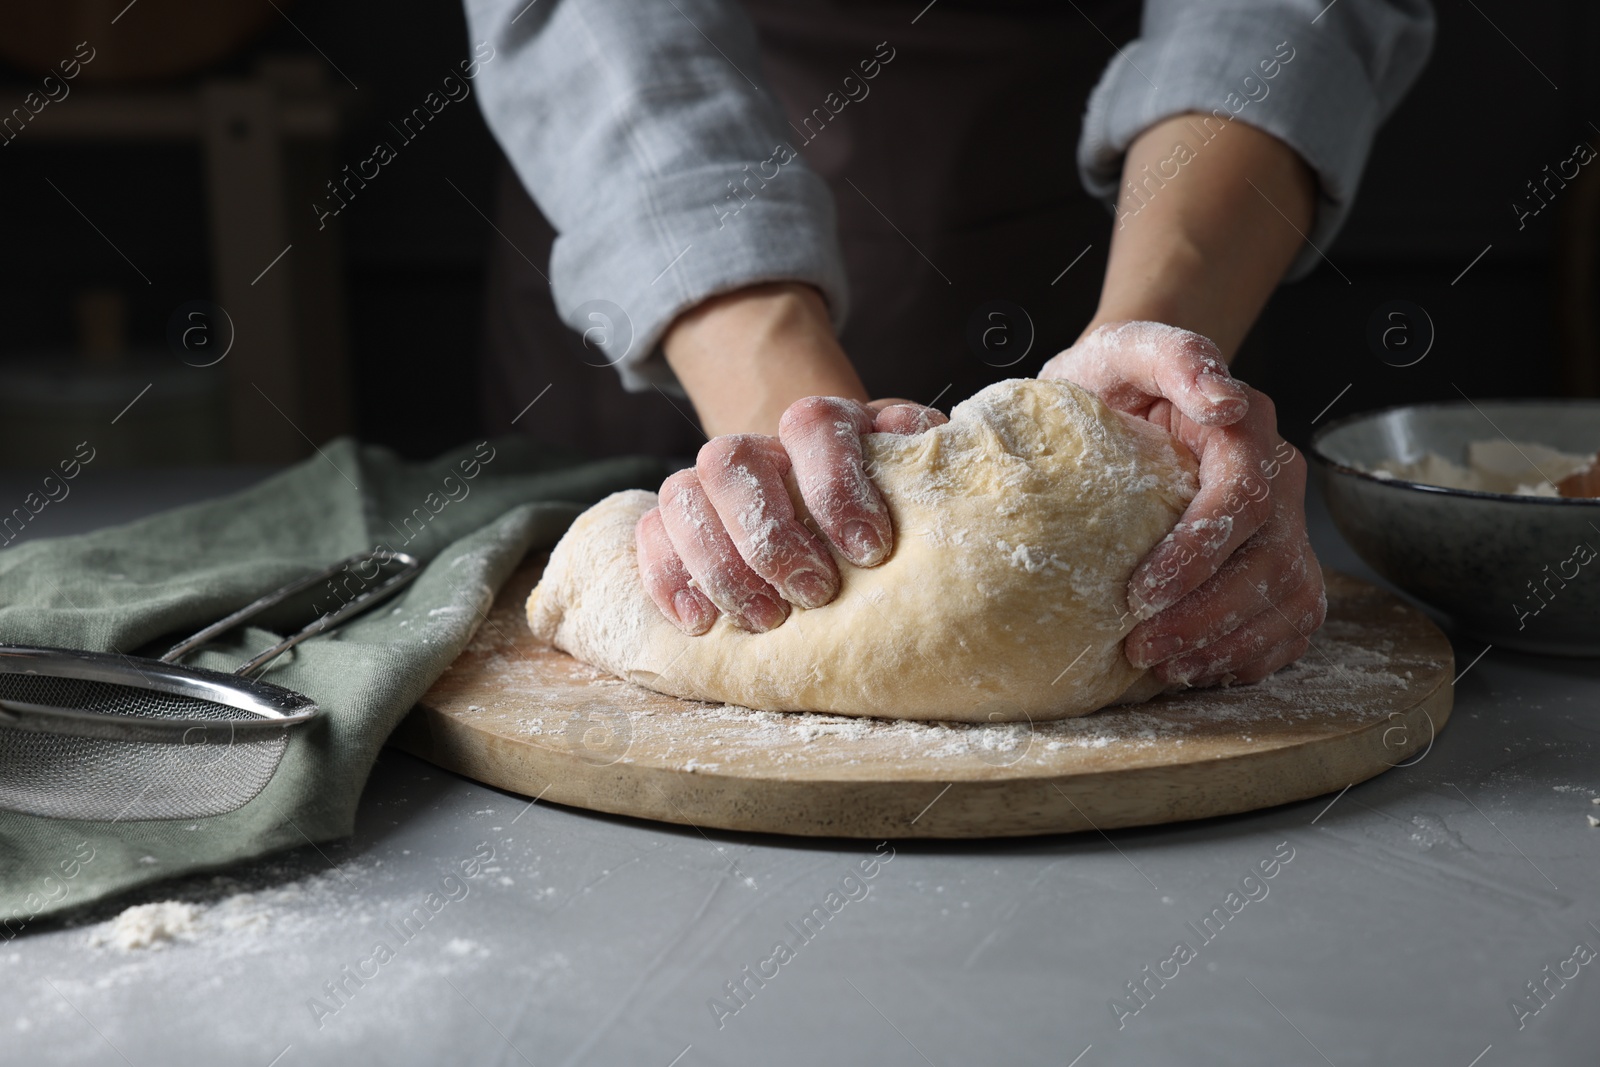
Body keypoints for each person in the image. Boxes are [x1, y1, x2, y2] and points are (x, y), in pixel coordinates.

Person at [465, 0, 1434, 689]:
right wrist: (780, 420)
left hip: (1103, 185)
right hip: (667, 225)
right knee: (694, 550)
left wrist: (1146, 381)